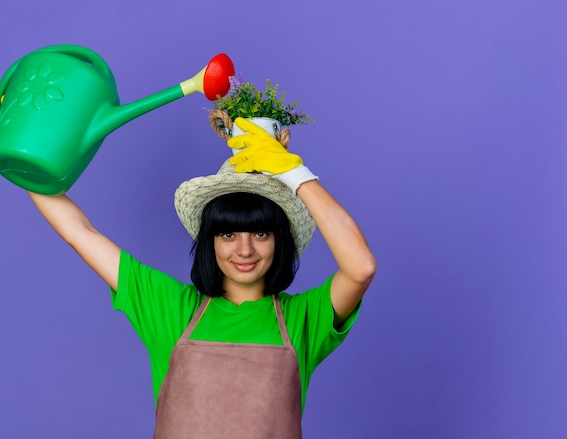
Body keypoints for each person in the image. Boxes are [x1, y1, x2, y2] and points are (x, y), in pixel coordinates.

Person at [28, 117, 377, 438]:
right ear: (209, 242)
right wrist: (18, 150)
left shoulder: (305, 318)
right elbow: (79, 231)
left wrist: (296, 175)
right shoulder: (169, 307)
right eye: (228, 235)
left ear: (279, 240)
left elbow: (360, 267)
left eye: (260, 234)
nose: (244, 250)